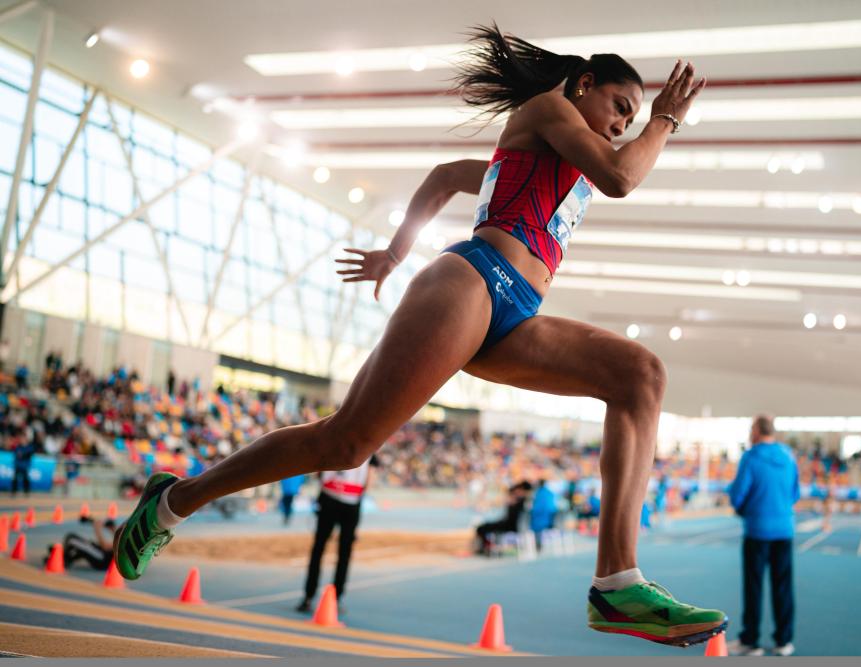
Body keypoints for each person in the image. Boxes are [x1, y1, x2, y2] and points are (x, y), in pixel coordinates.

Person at [113, 24, 722, 647]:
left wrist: (393, 252)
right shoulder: (549, 109)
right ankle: (175, 500)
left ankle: (616, 584)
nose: (623, 125)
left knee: (640, 376)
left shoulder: (557, 159)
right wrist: (664, 119)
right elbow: (621, 176)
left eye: (632, 119)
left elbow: (446, 176)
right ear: (584, 84)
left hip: (517, 315)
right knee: (346, 443)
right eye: (620, 107)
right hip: (472, 282)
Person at [727, 415, 799, 657]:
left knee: (754, 587)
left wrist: (744, 509)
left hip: (757, 530)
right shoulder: (788, 456)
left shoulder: (751, 457)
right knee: (783, 587)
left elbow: (738, 494)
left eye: (751, 429)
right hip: (784, 530)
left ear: (757, 431)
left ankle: (751, 641)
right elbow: (795, 493)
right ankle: (784, 641)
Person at [296, 456, 377, 614]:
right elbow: (370, 478)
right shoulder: (367, 449)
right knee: (340, 552)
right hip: (346, 501)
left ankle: (310, 597)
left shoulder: (336, 445)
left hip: (333, 498)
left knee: (322, 549)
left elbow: (319, 471)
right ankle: (333, 598)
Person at [474, 480, 531, 554]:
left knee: (482, 528)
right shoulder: (522, 502)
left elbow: (511, 518)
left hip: (510, 526)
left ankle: (487, 547)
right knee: (483, 527)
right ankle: (488, 546)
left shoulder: (520, 502)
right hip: (509, 524)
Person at [51, 516, 117, 571]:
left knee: (71, 539)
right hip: (102, 556)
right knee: (80, 548)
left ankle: (62, 558)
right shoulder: (120, 541)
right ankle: (63, 557)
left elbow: (105, 547)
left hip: (102, 559)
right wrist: (112, 530)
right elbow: (113, 545)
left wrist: (97, 529)